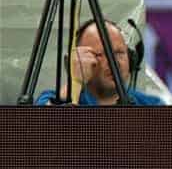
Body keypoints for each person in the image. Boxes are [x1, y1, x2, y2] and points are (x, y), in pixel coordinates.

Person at [34, 18, 162, 105]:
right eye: (101, 54)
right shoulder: (53, 99)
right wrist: (74, 85)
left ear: (131, 58)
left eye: (119, 53)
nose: (114, 62)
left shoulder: (151, 104)